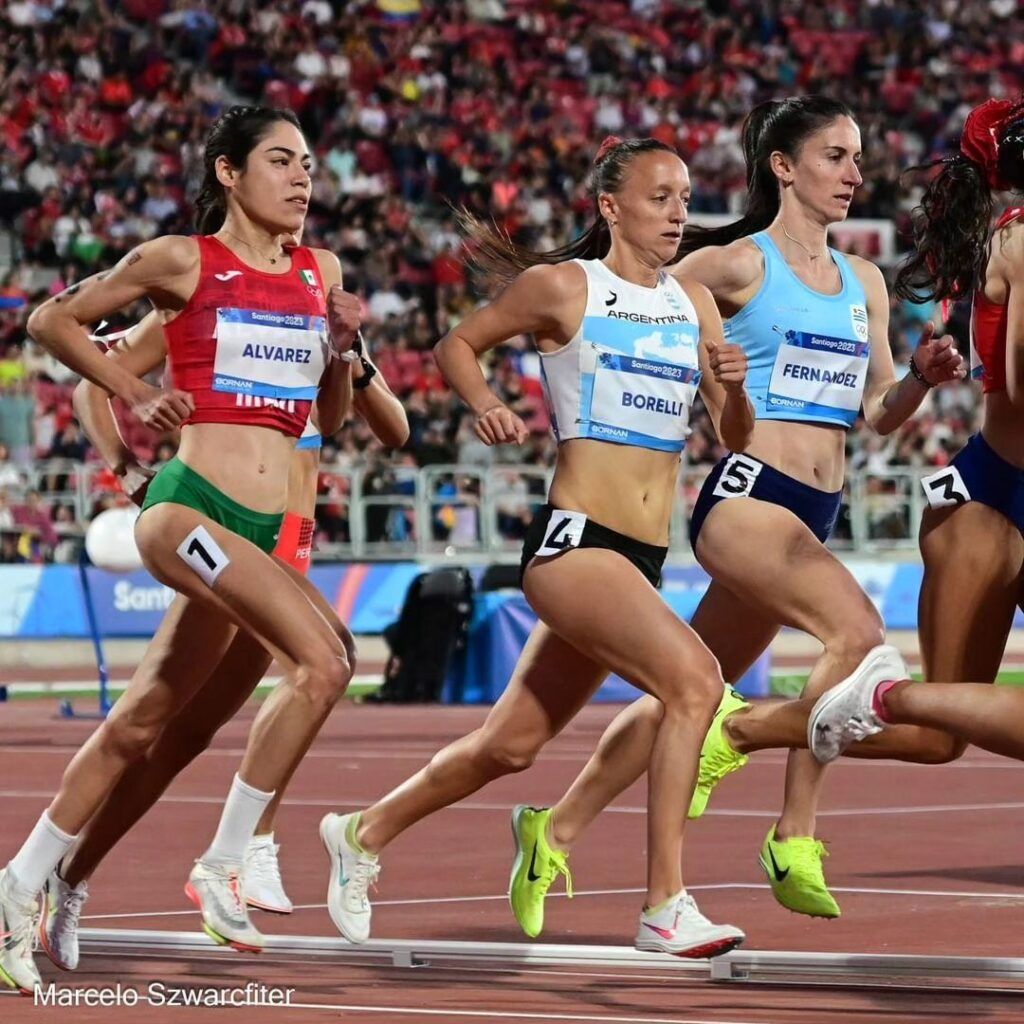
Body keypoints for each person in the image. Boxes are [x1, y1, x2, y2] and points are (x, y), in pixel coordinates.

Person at [504, 96, 966, 939]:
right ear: (783, 167)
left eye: (858, 159)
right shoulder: (728, 266)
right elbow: (635, 301)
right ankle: (793, 835)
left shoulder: (865, 282)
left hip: (815, 512)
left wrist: (924, 380)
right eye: (835, 156)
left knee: (693, 687)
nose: (854, 174)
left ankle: (555, 829)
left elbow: (880, 412)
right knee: (859, 635)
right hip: (749, 499)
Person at [320, 136, 755, 958]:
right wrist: (484, 401)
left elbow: (733, 435)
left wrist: (731, 388)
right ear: (610, 207)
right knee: (695, 682)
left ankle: (362, 834)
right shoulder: (565, 288)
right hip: (575, 545)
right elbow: (457, 344)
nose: (678, 213)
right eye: (660, 197)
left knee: (511, 746)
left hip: (641, 558)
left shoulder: (692, 304)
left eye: (685, 197)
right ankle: (665, 903)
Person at [0, 105, 361, 995]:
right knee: (324, 660)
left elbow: (337, 420)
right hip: (188, 510)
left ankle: (34, 884)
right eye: (281, 160)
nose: (304, 177)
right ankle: (224, 862)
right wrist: (132, 402)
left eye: (310, 163)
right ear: (230, 173)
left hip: (267, 536)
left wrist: (344, 351)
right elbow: (52, 322)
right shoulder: (184, 260)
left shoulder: (323, 272)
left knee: (152, 723)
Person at [33, 303, 407, 973]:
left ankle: (70, 877)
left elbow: (358, 424)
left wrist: (351, 354)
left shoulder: (314, 312)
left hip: (279, 554)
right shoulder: (209, 299)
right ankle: (237, 850)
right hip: (227, 538)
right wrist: (125, 468)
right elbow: (95, 381)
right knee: (150, 719)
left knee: (185, 737)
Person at [807, 98, 1024, 762]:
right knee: (937, 738)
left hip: (994, 492)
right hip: (989, 503)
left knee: (938, 740)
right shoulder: (1022, 237)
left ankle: (753, 724)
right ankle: (862, 702)